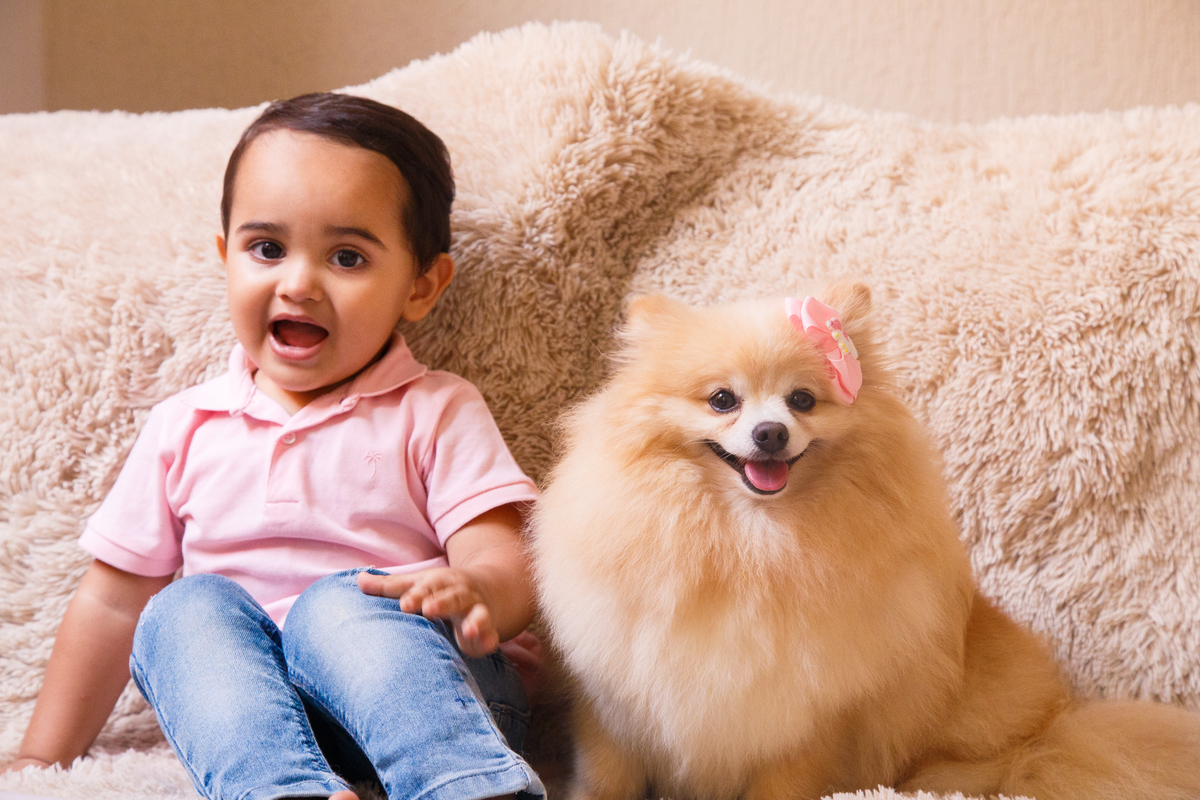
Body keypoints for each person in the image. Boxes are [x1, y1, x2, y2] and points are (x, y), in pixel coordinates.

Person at [2, 92, 544, 800]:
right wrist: (44, 756)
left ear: (420, 285)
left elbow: (506, 555)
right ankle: (280, 789)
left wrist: (478, 591)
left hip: (427, 697)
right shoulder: (185, 426)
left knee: (338, 606)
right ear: (226, 258)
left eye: (347, 257)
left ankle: (465, 783)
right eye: (266, 249)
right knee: (177, 612)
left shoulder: (435, 409)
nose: (298, 283)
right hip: (253, 721)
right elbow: (110, 607)